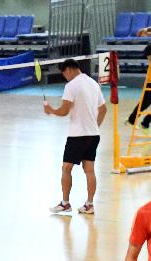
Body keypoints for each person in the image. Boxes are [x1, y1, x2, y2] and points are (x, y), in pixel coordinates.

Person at [44, 59, 107, 215]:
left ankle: (65, 203)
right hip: (93, 135)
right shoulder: (93, 83)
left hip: (77, 135)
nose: (65, 77)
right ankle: (89, 205)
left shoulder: (71, 86)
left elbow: (64, 111)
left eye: (64, 74)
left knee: (66, 168)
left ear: (69, 70)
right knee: (89, 170)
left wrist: (50, 110)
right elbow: (104, 109)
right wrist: (94, 126)